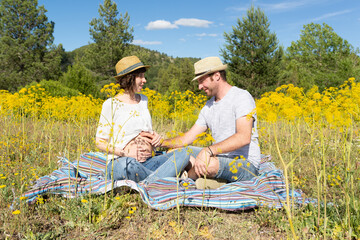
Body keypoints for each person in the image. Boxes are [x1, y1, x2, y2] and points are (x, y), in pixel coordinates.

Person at [142, 56, 261, 184]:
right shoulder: (209, 106)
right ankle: (208, 179)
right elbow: (188, 138)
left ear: (216, 76)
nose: (199, 87)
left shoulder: (242, 97)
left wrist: (208, 150)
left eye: (201, 81)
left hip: (245, 165)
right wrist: (161, 142)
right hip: (218, 157)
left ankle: (171, 180)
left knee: (209, 164)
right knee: (176, 152)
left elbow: (243, 137)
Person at [96, 56, 190, 184]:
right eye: (140, 76)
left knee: (183, 154)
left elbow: (144, 131)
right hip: (123, 161)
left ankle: (150, 181)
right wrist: (124, 153)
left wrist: (156, 137)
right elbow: (100, 142)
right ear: (129, 78)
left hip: (148, 162)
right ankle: (163, 178)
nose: (144, 80)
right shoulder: (110, 104)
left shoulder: (144, 100)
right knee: (128, 166)